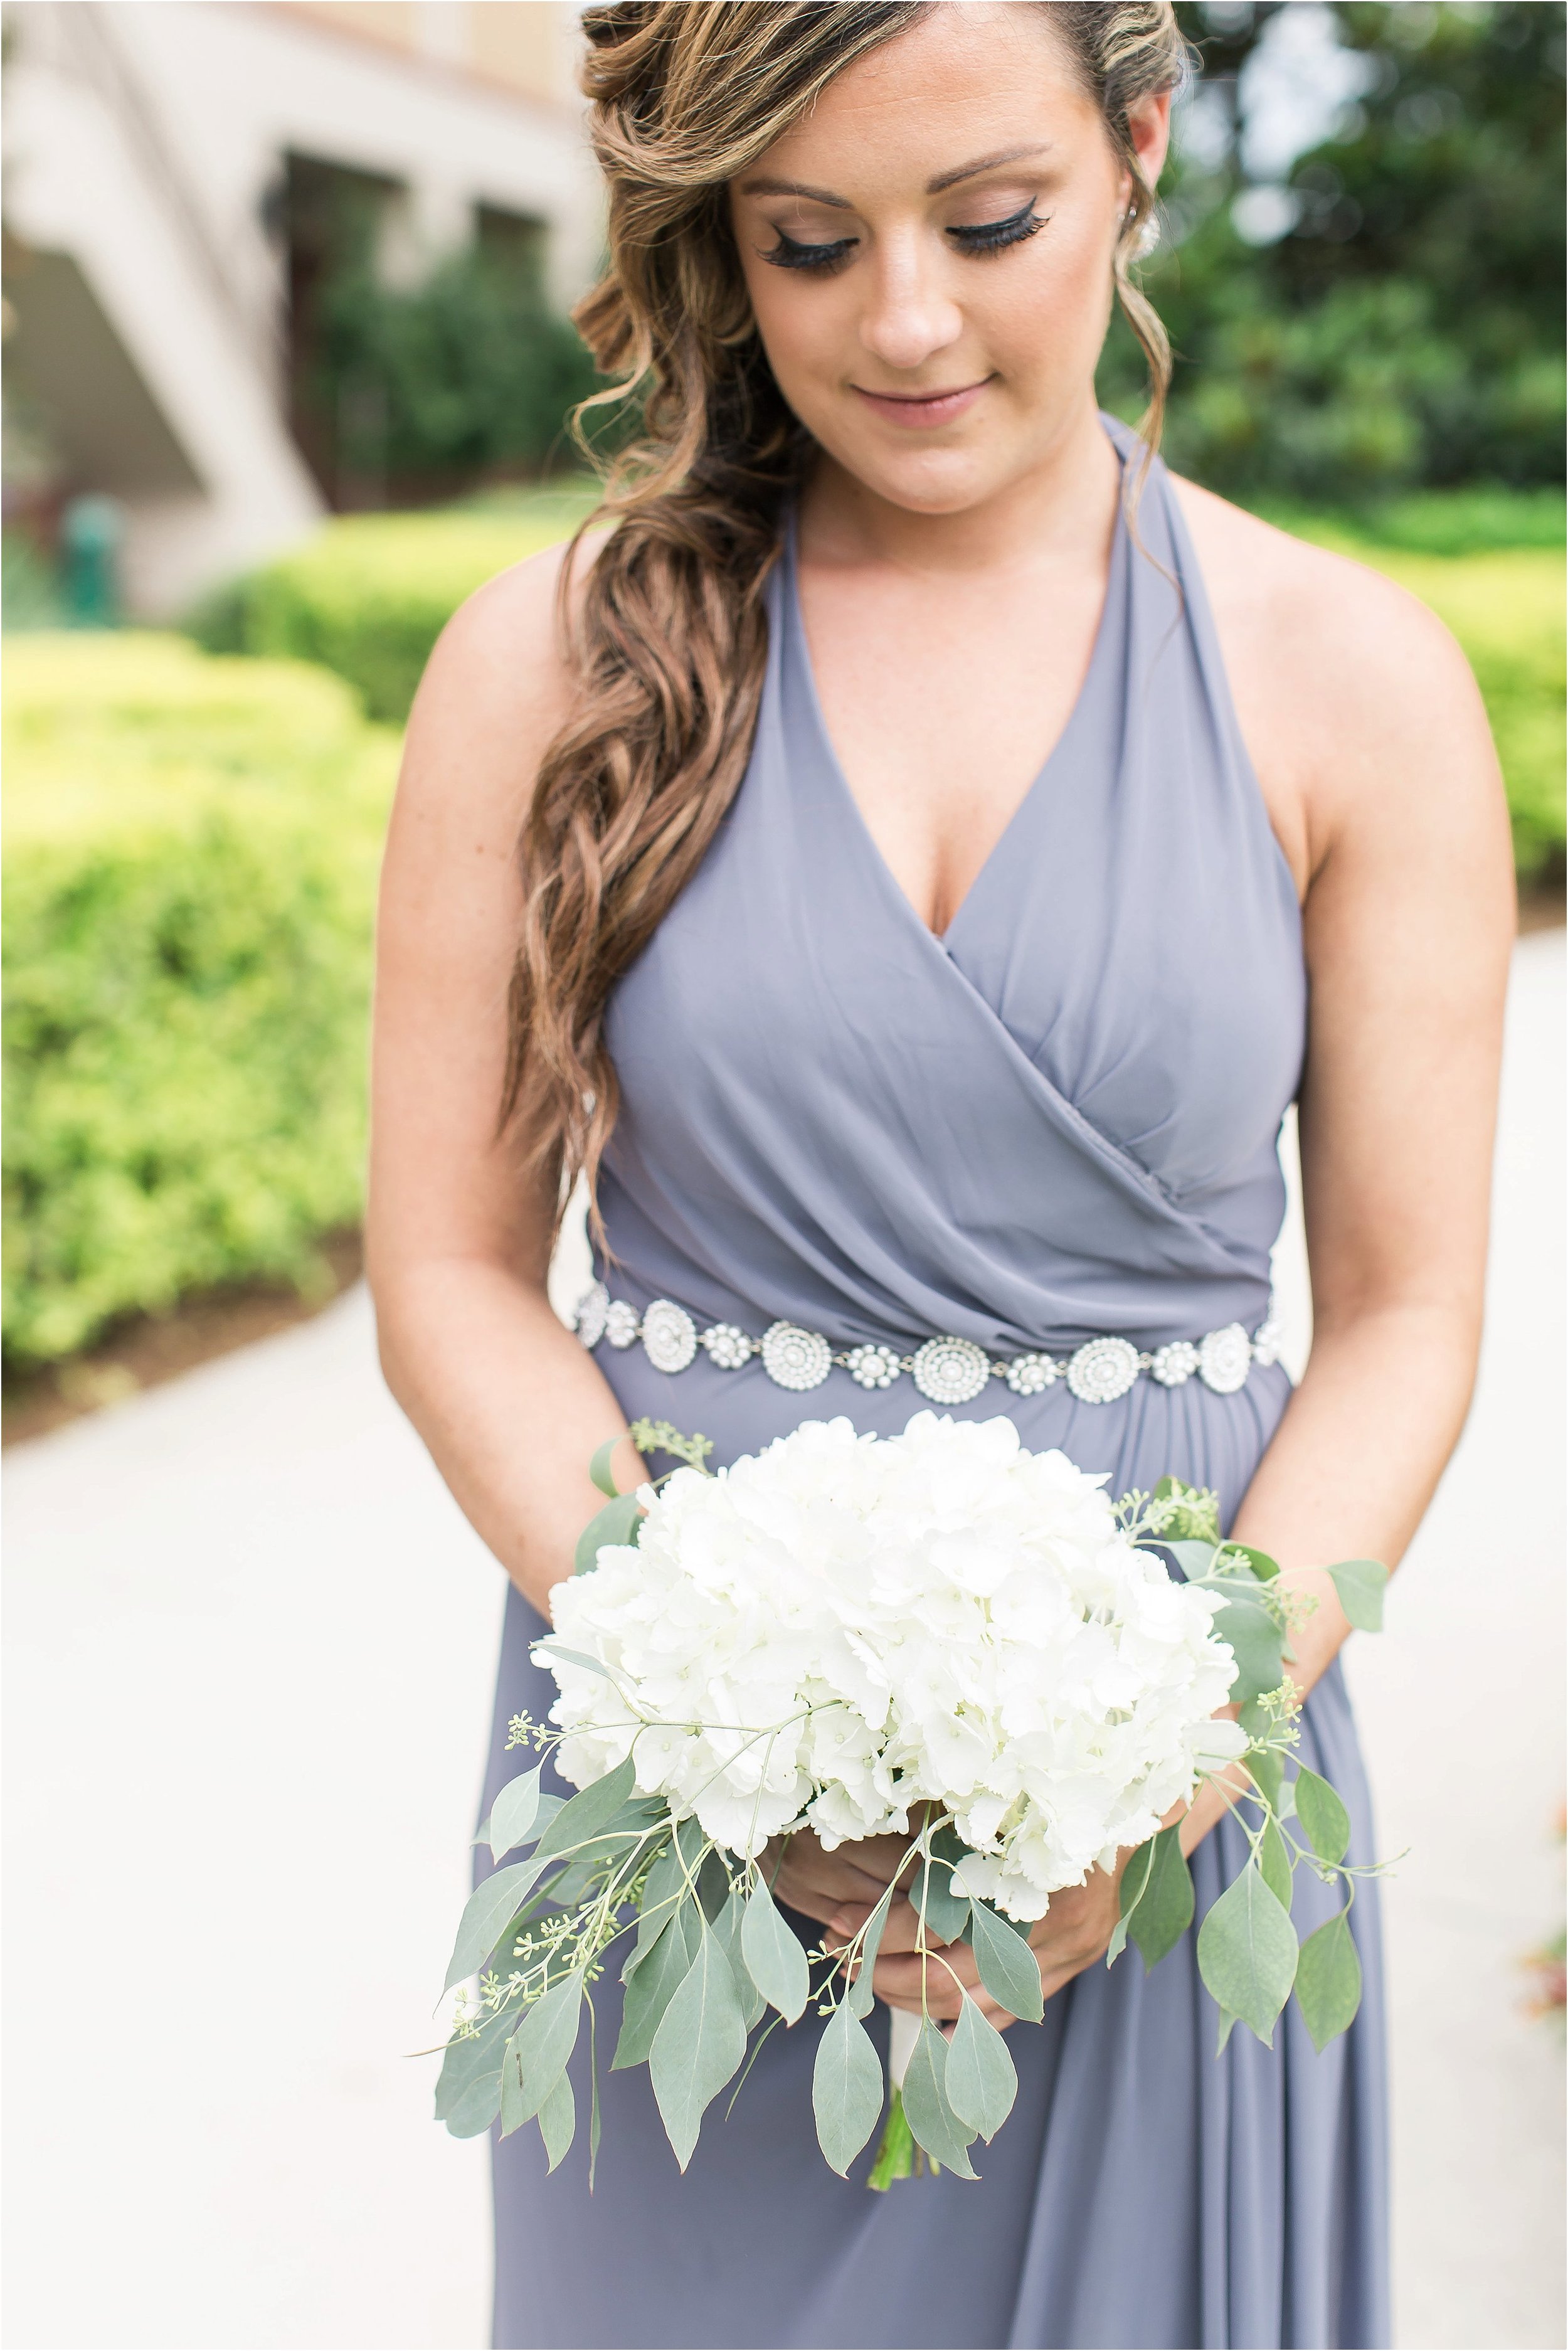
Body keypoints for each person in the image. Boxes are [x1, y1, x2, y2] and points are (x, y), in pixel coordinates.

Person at [367, 5, 1512, 2345]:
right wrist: (717, 1716)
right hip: (672, 1816)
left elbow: (1406, 1314)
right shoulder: (553, 665)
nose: (900, 320)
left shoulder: (1349, 679)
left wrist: (1168, 1764)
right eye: (806, 244)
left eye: (987, 222)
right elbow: (450, 1274)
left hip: (1167, 1797)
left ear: (1137, 149)